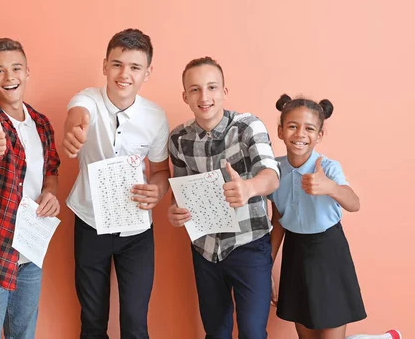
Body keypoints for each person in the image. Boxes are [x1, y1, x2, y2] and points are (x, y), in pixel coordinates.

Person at [62, 28, 170, 338]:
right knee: (93, 319)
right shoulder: (86, 99)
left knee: (135, 322)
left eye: (135, 67)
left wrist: (158, 190)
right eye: (117, 64)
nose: (125, 74)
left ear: (147, 73)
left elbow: (161, 171)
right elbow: (77, 117)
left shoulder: (156, 117)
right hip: (89, 222)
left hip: (136, 231)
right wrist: (75, 133)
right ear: (105, 65)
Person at [167, 57, 279, 339]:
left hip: (249, 245)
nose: (204, 97)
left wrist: (249, 188)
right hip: (205, 249)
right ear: (185, 96)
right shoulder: (178, 138)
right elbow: (179, 194)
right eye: (195, 90)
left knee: (253, 332)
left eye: (212, 87)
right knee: (215, 332)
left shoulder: (247, 127)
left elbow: (271, 175)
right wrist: (174, 212)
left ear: (224, 91)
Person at [0, 38, 61, 339]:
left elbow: (51, 171)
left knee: (23, 333)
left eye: (16, 68)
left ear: (27, 72)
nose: (9, 77)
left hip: (31, 249)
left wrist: (51, 194)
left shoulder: (42, 124)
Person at [270, 94, 366, 338]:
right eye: (292, 126)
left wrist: (329, 187)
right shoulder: (274, 170)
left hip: (329, 253)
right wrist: (266, 268)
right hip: (296, 254)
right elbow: (278, 221)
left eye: (309, 128)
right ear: (280, 131)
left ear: (319, 135)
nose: (300, 134)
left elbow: (354, 203)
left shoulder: (328, 167)